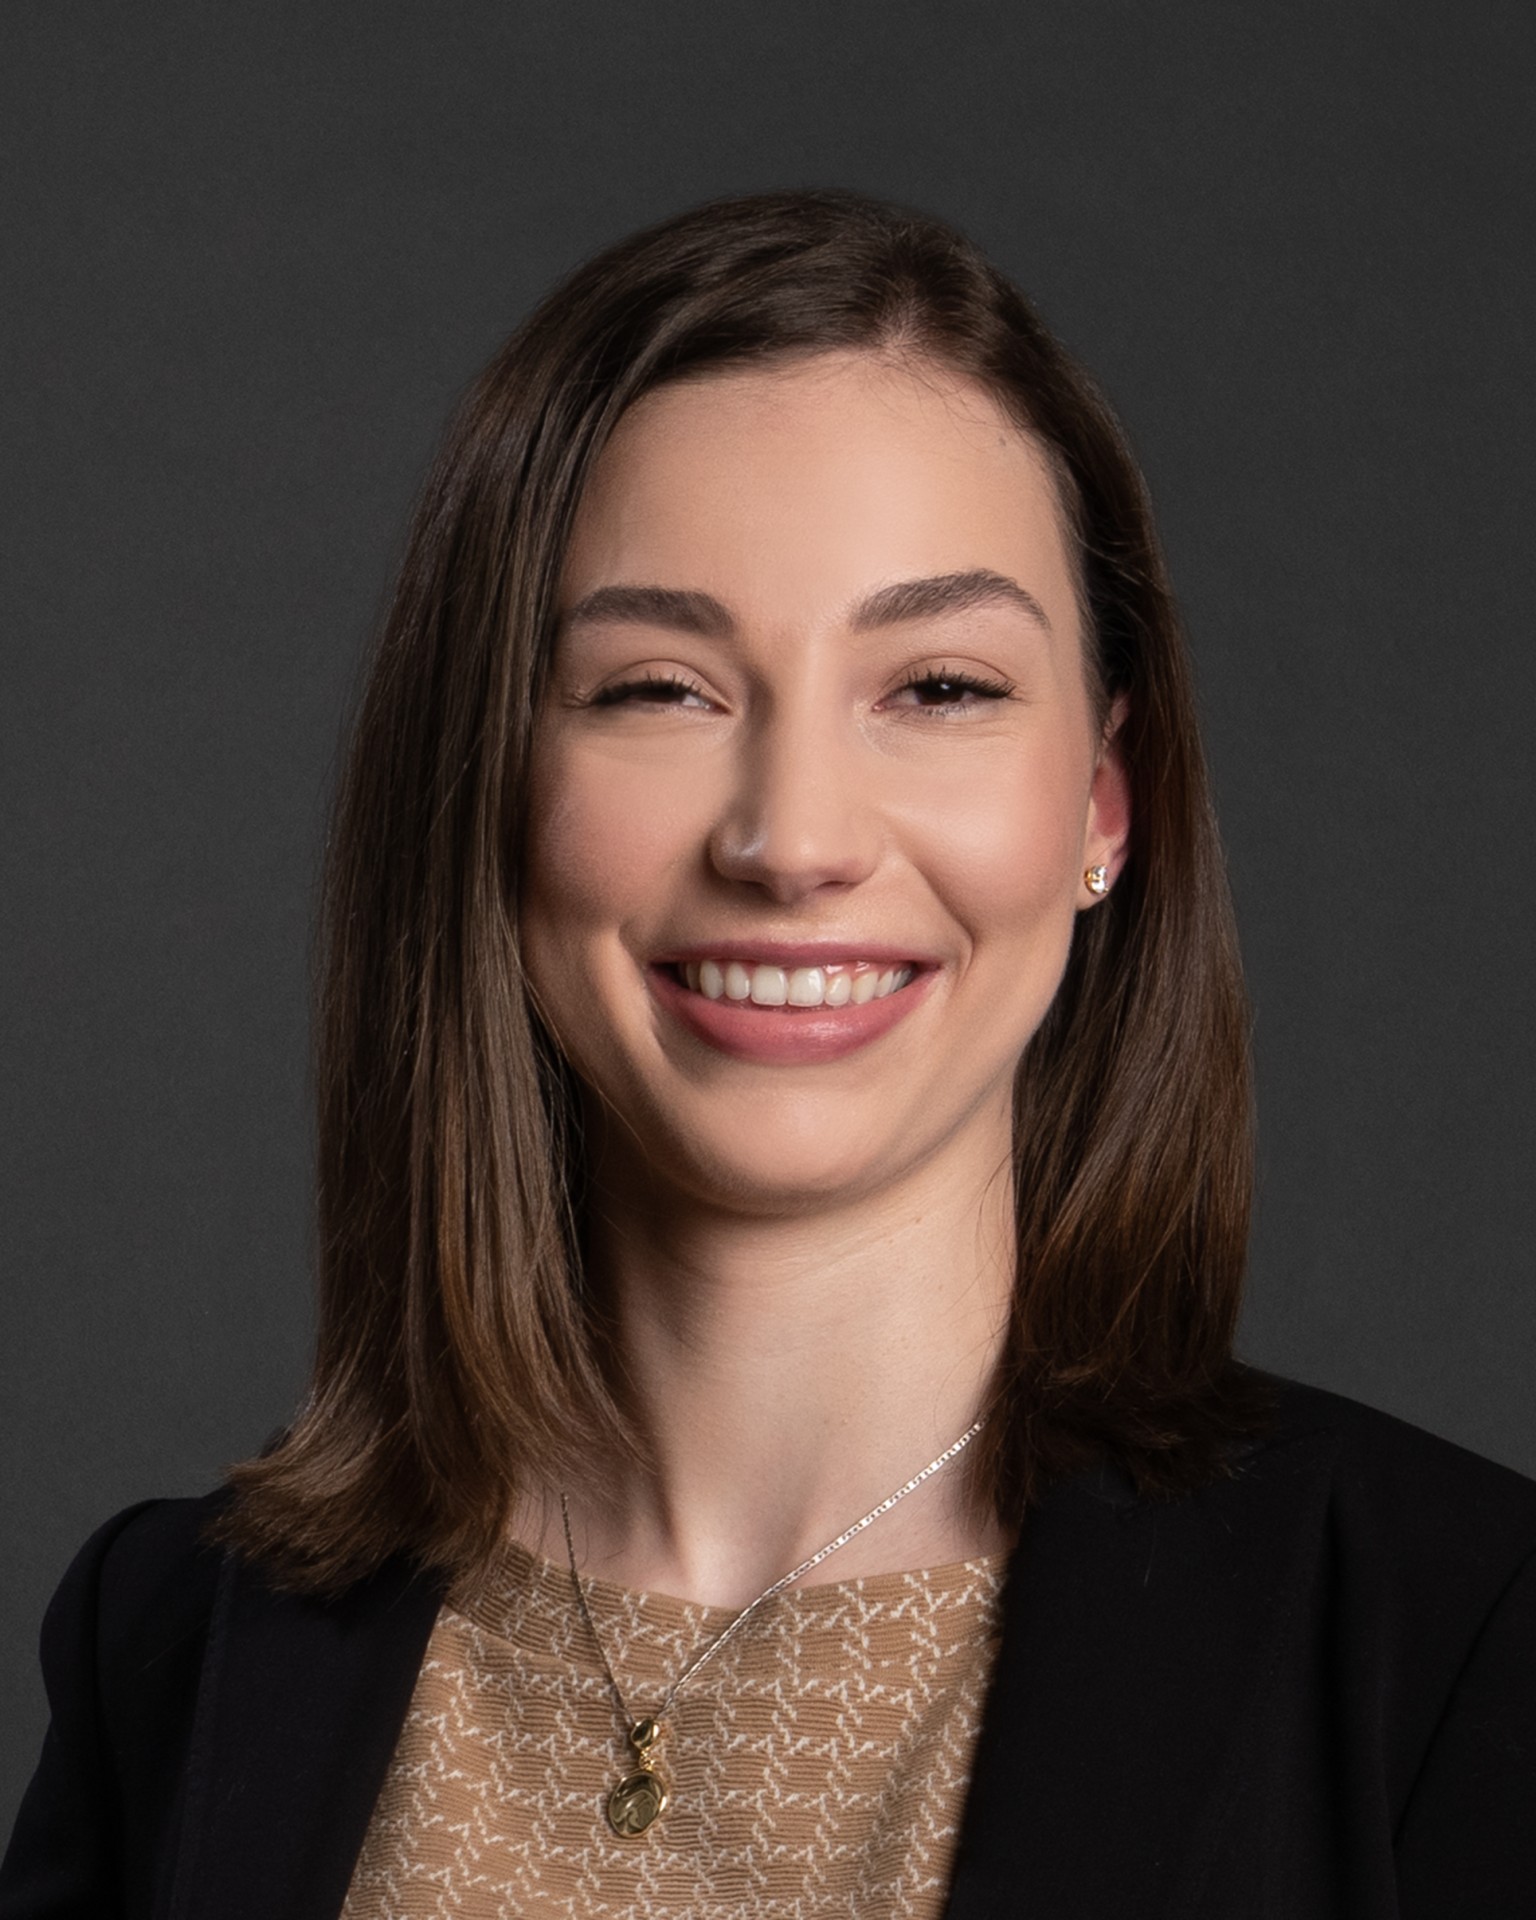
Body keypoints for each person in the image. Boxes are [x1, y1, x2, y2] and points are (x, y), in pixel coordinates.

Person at [3, 189, 1533, 1920]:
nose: (794, 841)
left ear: (1108, 805)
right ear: (489, 798)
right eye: (658, 688)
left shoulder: (1459, 1639)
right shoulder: (175, 1653)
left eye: (940, 687)